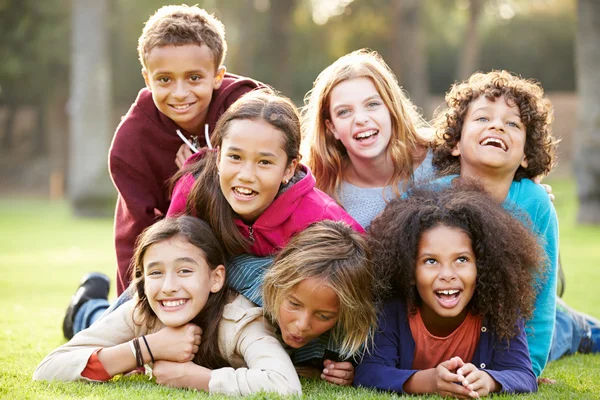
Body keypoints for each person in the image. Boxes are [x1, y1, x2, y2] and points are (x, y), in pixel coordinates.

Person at [430, 70, 599, 374]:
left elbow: (540, 293)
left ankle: (581, 329)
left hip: (516, 322)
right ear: (456, 143)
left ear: (525, 155)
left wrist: (527, 369)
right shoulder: (433, 197)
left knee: (565, 330)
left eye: (512, 124)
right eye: (482, 119)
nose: (497, 125)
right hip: (460, 321)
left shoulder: (535, 204)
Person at [35, 216, 301, 396]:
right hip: (110, 322)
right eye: (155, 273)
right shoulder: (140, 311)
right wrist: (147, 349)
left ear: (215, 278)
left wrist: (194, 378)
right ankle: (86, 304)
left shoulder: (240, 322)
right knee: (90, 319)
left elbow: (285, 385)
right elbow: (47, 370)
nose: (168, 286)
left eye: (185, 270)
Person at [109, 4, 264, 297]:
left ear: (218, 76)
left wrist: (207, 167)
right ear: (147, 78)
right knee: (115, 322)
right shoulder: (131, 142)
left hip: (245, 250)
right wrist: (135, 300)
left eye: (194, 78)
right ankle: (85, 307)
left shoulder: (249, 109)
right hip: (170, 263)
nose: (180, 93)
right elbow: (137, 232)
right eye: (165, 79)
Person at [354, 184, 543, 397]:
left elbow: (523, 374)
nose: (447, 274)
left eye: (461, 259)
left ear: (482, 265)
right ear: (409, 271)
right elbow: (369, 372)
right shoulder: (394, 308)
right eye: (431, 261)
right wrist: (430, 381)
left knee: (569, 331)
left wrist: (489, 380)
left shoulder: (498, 308)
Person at [167, 89, 364, 256]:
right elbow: (167, 258)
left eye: (264, 162)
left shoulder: (319, 216)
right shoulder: (193, 190)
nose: (246, 175)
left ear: (289, 168)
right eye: (235, 157)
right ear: (218, 157)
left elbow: (362, 264)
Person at [301, 49, 433, 228]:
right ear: (332, 127)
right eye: (344, 112)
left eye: (372, 104)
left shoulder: (439, 160)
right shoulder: (321, 194)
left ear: (391, 109)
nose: (361, 119)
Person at [260, 220, 378, 386]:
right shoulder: (246, 280)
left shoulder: (350, 336)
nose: (302, 325)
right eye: (294, 304)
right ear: (276, 284)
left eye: (323, 316)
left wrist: (349, 374)